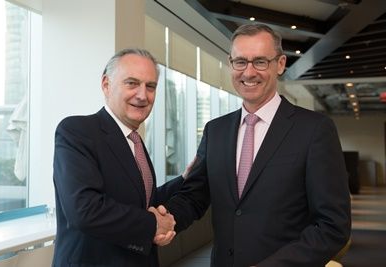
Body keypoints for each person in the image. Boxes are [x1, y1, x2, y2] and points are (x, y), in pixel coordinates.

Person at [161, 24, 351, 267]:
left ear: (280, 64)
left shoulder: (314, 130)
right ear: (231, 64)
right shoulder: (215, 130)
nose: (248, 73)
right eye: (240, 62)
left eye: (260, 62)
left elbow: (333, 226)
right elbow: (195, 196)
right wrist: (166, 220)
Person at [52, 48, 185, 267]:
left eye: (150, 86)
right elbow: (85, 210)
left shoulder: (135, 141)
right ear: (106, 84)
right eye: (132, 83)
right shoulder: (77, 131)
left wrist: (183, 179)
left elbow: (139, 200)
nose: (143, 95)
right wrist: (153, 225)